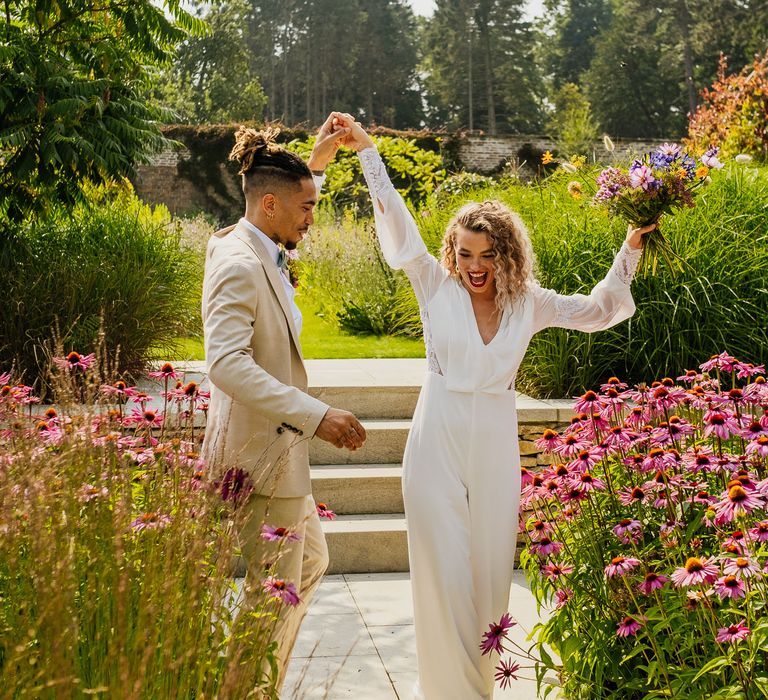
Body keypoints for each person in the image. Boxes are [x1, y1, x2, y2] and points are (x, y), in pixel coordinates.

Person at [333, 113, 656, 699]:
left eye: (485, 255)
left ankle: (477, 689)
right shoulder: (433, 284)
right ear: (451, 254)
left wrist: (629, 250)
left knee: (486, 578)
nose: (473, 266)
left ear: (506, 255)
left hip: (493, 445)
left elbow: (599, 309)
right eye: (464, 254)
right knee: (442, 573)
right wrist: (370, 154)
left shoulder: (528, 304)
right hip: (435, 441)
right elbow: (399, 230)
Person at [200, 114, 367, 694]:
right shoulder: (241, 263)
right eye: (307, 208)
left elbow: (277, 200)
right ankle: (247, 690)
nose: (312, 218)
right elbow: (224, 362)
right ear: (270, 205)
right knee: (273, 597)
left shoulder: (250, 238)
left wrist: (312, 166)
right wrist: (316, 415)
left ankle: (251, 685)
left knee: (310, 566)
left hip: (280, 457)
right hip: (260, 458)